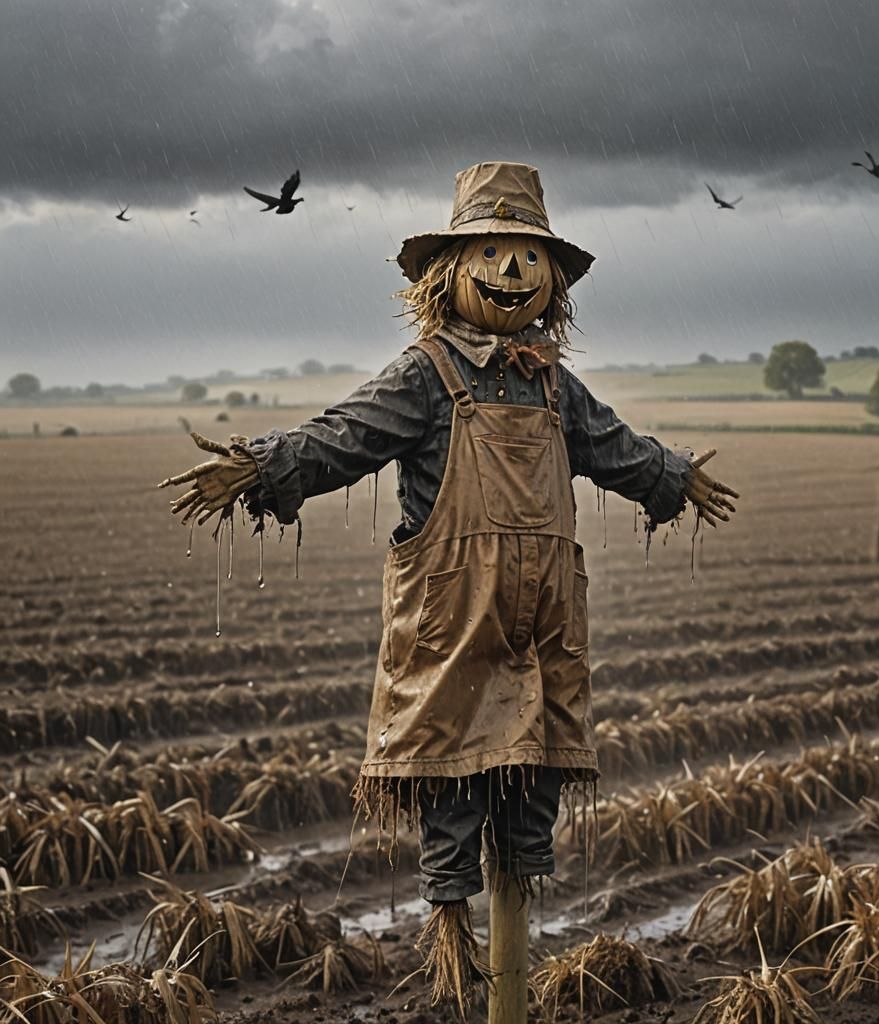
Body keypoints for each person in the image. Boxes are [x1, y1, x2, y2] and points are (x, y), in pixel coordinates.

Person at [159, 160, 738, 1007]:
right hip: (453, 624)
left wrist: (673, 478)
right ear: (448, 273)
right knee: (453, 786)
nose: (513, 273)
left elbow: (616, 447)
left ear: (554, 283)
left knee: (527, 799)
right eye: (492, 253)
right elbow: (341, 437)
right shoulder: (425, 376)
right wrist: (261, 468)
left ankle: (507, 962)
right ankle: (456, 956)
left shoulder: (551, 385)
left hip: (541, 627)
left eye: (529, 257)